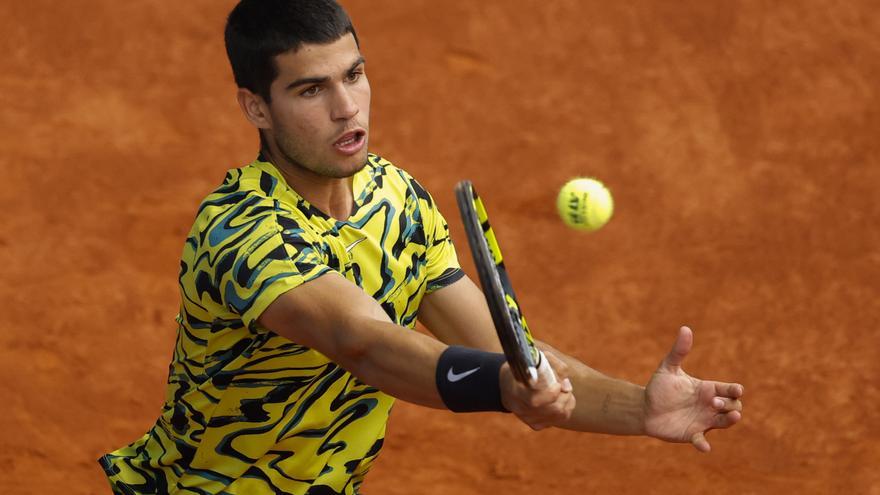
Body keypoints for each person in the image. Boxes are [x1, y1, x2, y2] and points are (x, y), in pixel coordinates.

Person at [98, 1, 744, 494]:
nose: (347, 107)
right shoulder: (241, 232)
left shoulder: (398, 200)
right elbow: (364, 341)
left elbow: (508, 348)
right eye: (309, 89)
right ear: (256, 108)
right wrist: (501, 387)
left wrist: (639, 406)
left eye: (354, 75)